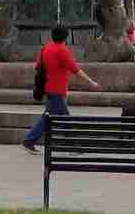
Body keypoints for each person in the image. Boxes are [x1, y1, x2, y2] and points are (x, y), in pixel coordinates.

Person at [21, 23, 101, 152]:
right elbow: (75, 69)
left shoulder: (46, 48)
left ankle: (30, 140)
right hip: (57, 90)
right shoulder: (62, 50)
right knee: (63, 119)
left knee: (52, 117)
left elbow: (37, 67)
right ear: (65, 37)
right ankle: (72, 146)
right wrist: (91, 82)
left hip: (48, 88)